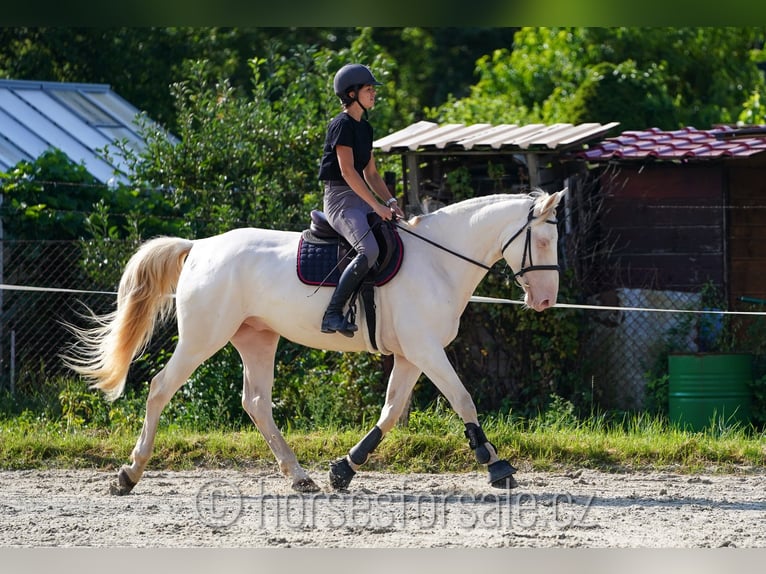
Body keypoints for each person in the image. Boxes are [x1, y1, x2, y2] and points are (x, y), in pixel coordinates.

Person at [318, 63, 405, 337]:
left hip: (360, 197)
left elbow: (371, 173)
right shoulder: (341, 124)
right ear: (352, 94)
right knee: (369, 251)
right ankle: (333, 314)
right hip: (340, 200)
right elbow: (347, 171)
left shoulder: (365, 128)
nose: (373, 94)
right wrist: (376, 206)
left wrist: (390, 201)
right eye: (369, 89)